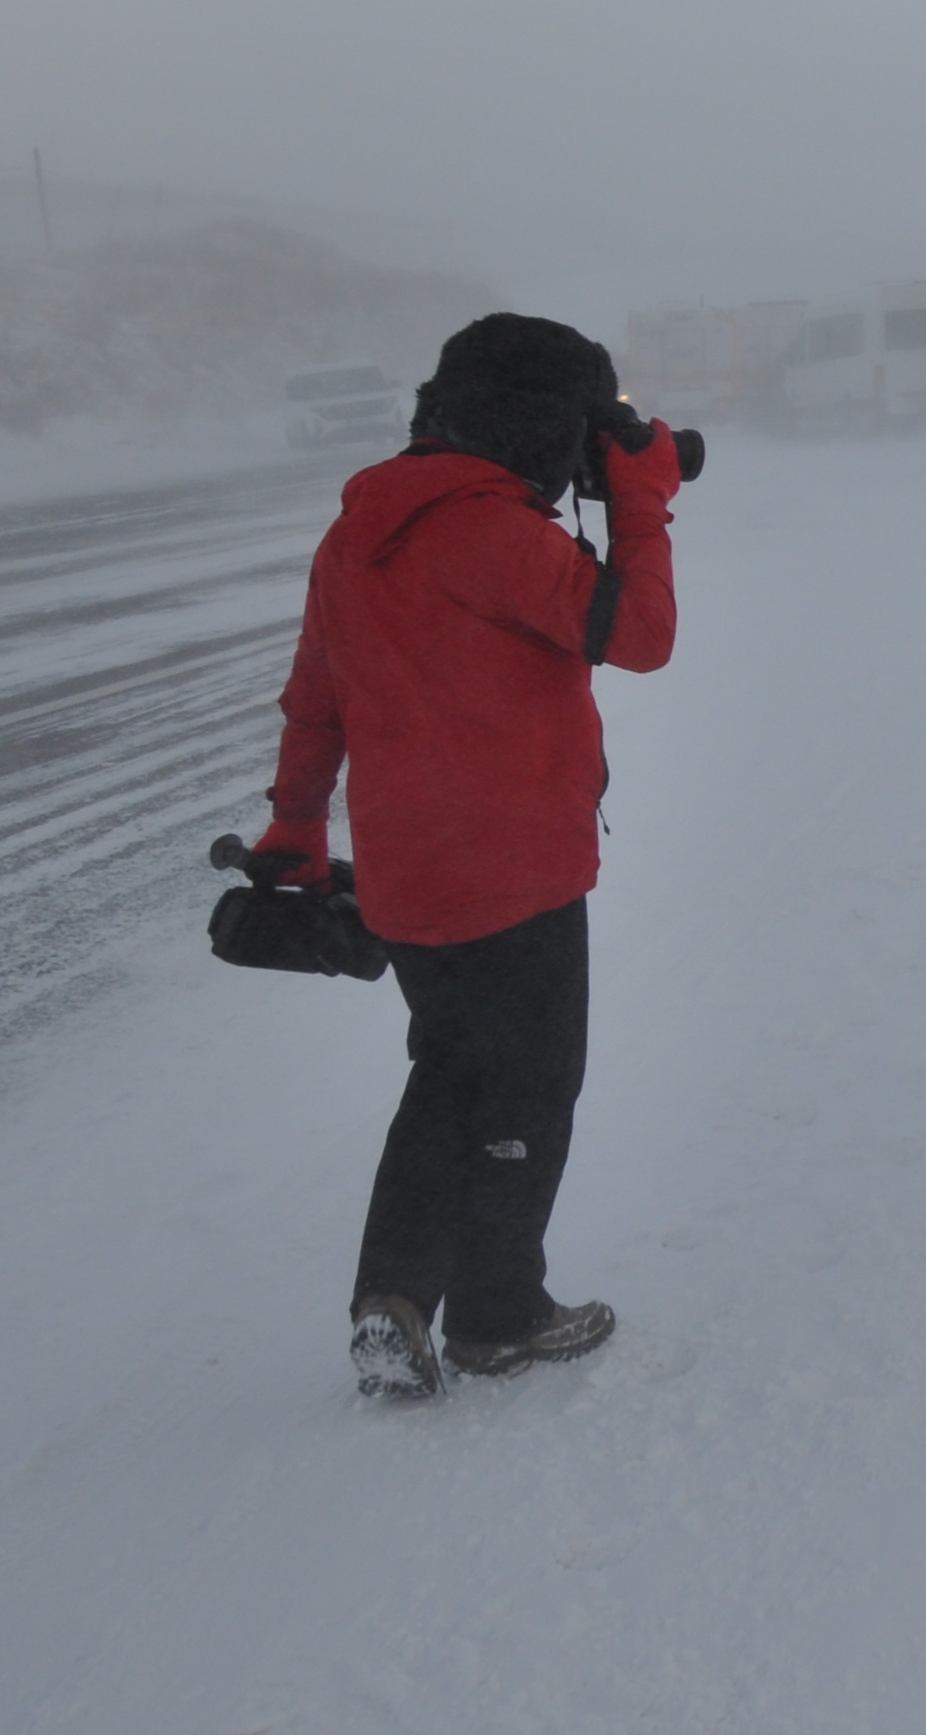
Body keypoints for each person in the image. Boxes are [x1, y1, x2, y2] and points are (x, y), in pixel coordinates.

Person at [253, 313, 685, 1402]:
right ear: (542, 422)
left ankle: (389, 1301)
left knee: (448, 1070)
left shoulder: (357, 530)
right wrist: (639, 496)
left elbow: (315, 701)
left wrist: (296, 827)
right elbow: (640, 633)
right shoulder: (495, 533)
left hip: (405, 876)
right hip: (519, 874)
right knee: (529, 1091)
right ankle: (498, 1316)